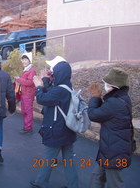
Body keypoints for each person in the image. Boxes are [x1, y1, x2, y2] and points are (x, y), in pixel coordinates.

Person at [31, 56, 79, 188]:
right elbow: (51, 94)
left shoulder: (59, 90)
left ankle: (40, 182)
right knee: (69, 161)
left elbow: (42, 99)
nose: (53, 74)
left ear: (58, 74)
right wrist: (46, 80)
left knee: (48, 159)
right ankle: (73, 185)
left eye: (54, 73)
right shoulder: (68, 88)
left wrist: (39, 87)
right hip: (68, 130)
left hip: (56, 130)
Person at [87, 67, 133, 188]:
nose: (104, 86)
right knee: (96, 177)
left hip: (114, 151)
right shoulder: (122, 98)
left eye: (106, 84)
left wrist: (95, 97)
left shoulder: (114, 102)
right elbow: (106, 113)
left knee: (114, 183)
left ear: (114, 87)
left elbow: (93, 115)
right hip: (110, 148)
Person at [15, 52, 36, 134]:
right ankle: (26, 126)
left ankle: (28, 128)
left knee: (28, 111)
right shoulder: (27, 69)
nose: (24, 61)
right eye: (23, 59)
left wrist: (19, 79)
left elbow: (30, 82)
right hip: (24, 93)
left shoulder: (31, 70)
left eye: (26, 59)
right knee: (24, 111)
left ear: (29, 60)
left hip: (28, 94)